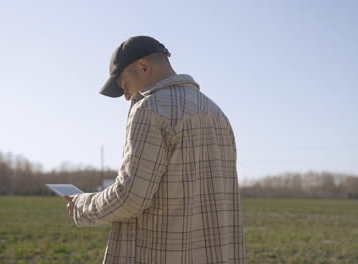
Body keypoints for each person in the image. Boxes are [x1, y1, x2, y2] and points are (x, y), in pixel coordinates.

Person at [64, 36, 246, 264]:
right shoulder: (217, 113)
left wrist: (83, 205)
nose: (127, 97)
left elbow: (130, 197)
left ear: (143, 66)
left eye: (124, 86)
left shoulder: (150, 108)